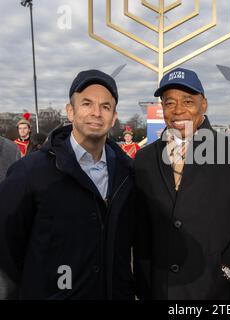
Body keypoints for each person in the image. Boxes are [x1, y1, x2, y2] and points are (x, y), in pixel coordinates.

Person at [0, 69, 135, 299]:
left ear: (114, 118)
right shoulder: (29, 172)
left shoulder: (128, 173)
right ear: (70, 111)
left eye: (105, 106)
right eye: (86, 104)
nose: (96, 113)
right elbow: (7, 248)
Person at [133, 67, 230, 299]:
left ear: (204, 105)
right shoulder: (144, 159)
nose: (178, 110)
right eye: (169, 103)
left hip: (213, 291)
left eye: (188, 101)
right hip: (158, 290)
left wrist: (228, 272)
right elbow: (141, 227)